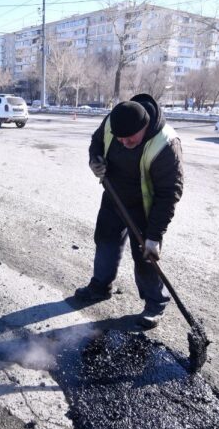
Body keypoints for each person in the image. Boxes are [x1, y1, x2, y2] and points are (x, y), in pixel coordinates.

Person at [75, 93, 184, 329]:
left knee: (145, 256)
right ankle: (100, 286)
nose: (124, 143)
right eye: (119, 138)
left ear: (145, 126)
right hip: (113, 195)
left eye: (130, 139)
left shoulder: (165, 144)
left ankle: (155, 303)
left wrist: (154, 236)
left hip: (146, 207)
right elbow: (96, 142)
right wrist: (95, 160)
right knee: (105, 240)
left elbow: (169, 194)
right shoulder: (114, 121)